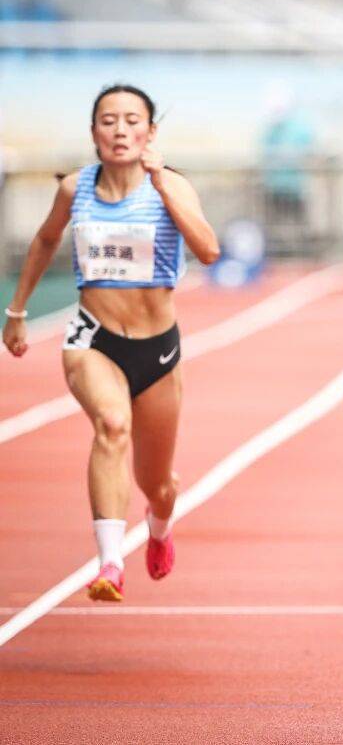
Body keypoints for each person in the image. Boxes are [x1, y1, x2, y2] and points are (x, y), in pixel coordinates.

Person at [2, 84, 221, 601]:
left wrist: (162, 185)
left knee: (158, 483)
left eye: (131, 120)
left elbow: (209, 250)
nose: (120, 130)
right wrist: (17, 312)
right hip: (92, 338)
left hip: (157, 348)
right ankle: (109, 563)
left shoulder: (171, 186)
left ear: (150, 131)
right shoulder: (75, 188)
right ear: (94, 132)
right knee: (112, 424)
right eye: (108, 121)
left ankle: (159, 528)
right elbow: (46, 239)